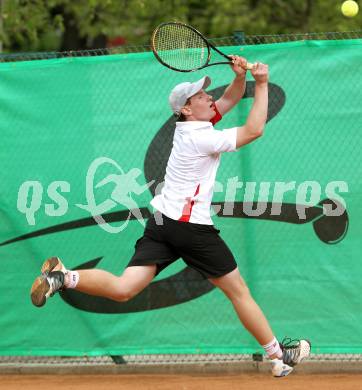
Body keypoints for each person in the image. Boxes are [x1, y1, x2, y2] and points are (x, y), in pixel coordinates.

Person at [30, 55, 310, 377]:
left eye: (206, 93)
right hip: (190, 228)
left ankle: (62, 277)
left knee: (125, 288)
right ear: (187, 109)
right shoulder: (201, 137)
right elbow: (254, 129)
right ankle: (279, 357)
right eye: (200, 96)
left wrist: (238, 78)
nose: (208, 96)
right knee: (238, 291)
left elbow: (229, 100)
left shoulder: (192, 127)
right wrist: (260, 83)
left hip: (162, 222)